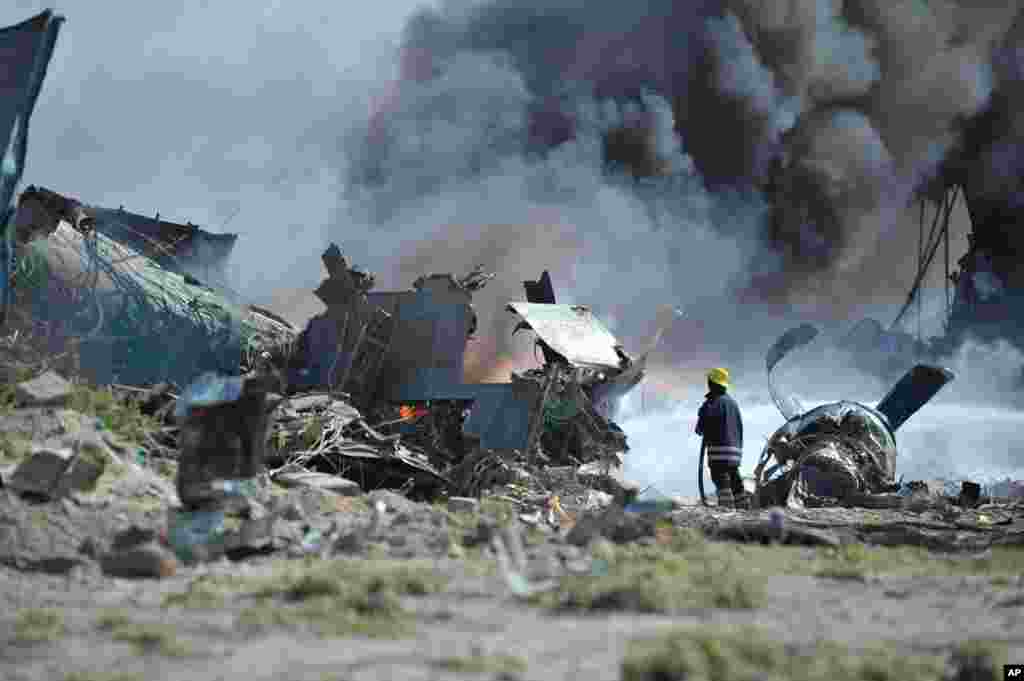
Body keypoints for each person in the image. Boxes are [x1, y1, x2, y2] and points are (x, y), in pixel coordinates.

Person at [696, 367, 747, 510]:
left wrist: (702, 418)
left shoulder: (713, 403)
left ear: (712, 383)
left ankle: (727, 512)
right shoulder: (733, 403)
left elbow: (701, 427)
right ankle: (744, 510)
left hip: (719, 453)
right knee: (735, 481)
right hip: (735, 453)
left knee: (722, 482)